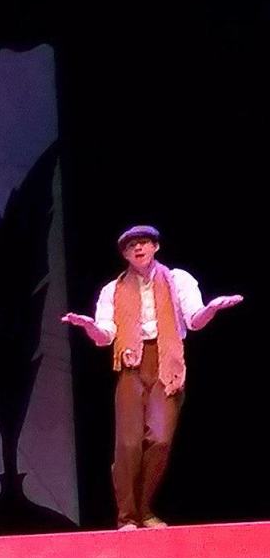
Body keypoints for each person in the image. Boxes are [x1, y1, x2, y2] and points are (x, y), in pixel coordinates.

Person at [62, 225, 243, 530]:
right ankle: (127, 516)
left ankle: (144, 509)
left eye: (144, 242)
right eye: (131, 246)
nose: (138, 248)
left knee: (160, 439)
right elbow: (105, 336)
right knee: (128, 444)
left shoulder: (178, 279)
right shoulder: (113, 289)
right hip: (132, 365)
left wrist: (212, 308)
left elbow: (194, 320)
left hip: (167, 363)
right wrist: (90, 327)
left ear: (155, 247)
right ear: (124, 254)